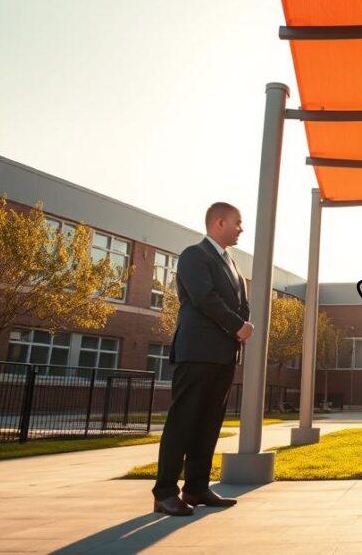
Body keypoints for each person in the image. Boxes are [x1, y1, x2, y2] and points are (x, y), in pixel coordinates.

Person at [152, 202, 253, 516]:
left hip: (223, 355)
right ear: (219, 222)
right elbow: (204, 298)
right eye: (237, 223)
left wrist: (241, 326)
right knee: (183, 422)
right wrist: (237, 325)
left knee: (209, 423)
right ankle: (165, 492)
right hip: (196, 352)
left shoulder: (232, 263)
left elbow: (240, 303)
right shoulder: (195, 255)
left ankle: (196, 487)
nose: (241, 228)